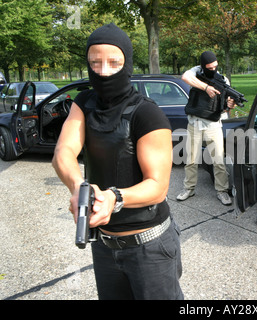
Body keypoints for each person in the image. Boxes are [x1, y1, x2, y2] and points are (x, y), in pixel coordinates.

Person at [52, 23, 183, 300]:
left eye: (114, 62)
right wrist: (79, 188)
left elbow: (158, 186)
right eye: (94, 62)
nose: (103, 71)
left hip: (150, 247)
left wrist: (113, 198)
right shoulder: (84, 103)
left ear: (127, 64)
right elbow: (63, 152)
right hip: (104, 244)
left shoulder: (147, 113)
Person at [176, 51, 235, 205]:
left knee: (218, 161)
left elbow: (227, 105)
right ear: (203, 66)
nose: (213, 69)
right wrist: (206, 87)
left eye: (215, 66)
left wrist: (229, 105)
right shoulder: (195, 72)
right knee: (191, 159)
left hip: (213, 125)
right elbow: (185, 78)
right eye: (210, 67)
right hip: (194, 123)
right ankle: (189, 188)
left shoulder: (223, 80)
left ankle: (222, 191)